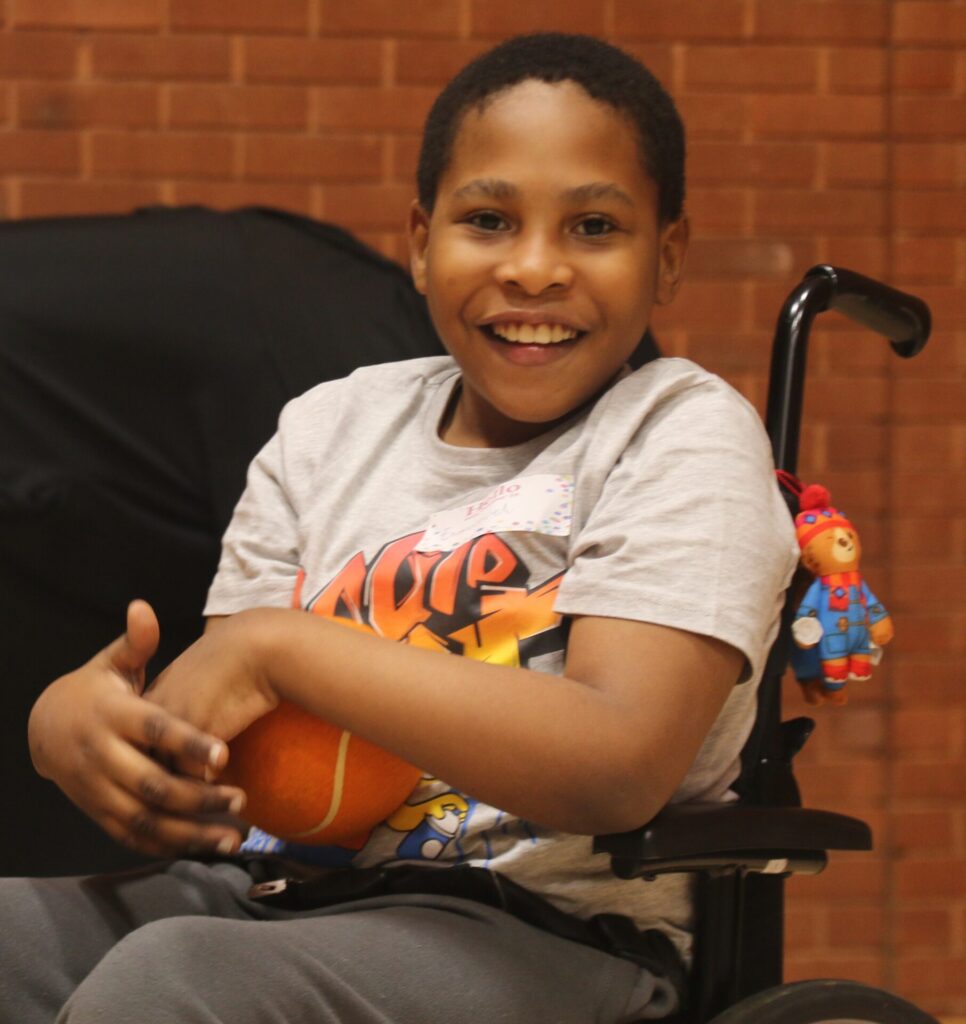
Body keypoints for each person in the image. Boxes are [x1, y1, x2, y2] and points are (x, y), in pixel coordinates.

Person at [3, 33, 798, 1024]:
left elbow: (619, 766)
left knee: (178, 980)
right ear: (421, 244)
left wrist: (283, 649)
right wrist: (77, 728)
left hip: (546, 931)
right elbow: (234, 741)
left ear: (667, 256)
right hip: (278, 897)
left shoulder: (679, 434)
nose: (535, 268)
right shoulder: (329, 428)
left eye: (594, 226)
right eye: (488, 220)